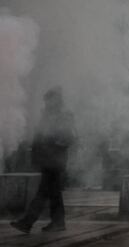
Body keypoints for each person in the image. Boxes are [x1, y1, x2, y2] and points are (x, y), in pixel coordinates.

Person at [11, 87, 76, 234]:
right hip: (47, 160)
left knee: (43, 193)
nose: (46, 103)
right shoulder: (46, 116)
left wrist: (53, 142)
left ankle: (28, 222)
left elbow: (69, 137)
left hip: (55, 160)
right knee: (54, 193)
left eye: (49, 99)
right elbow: (38, 138)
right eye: (46, 100)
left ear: (57, 100)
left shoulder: (64, 116)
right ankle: (58, 222)